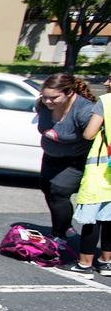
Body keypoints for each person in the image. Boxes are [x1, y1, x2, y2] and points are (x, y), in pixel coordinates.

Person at [36, 72, 104, 252]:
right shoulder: (43, 105)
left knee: (59, 191)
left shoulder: (84, 111)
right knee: (47, 188)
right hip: (50, 156)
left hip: (74, 160)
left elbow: (93, 138)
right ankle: (65, 226)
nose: (48, 102)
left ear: (69, 92)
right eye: (45, 97)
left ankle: (60, 235)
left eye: (54, 98)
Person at [66, 74, 111, 277]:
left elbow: (89, 133)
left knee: (92, 219)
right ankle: (106, 262)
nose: (106, 83)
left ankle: (85, 263)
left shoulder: (106, 101)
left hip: (102, 170)